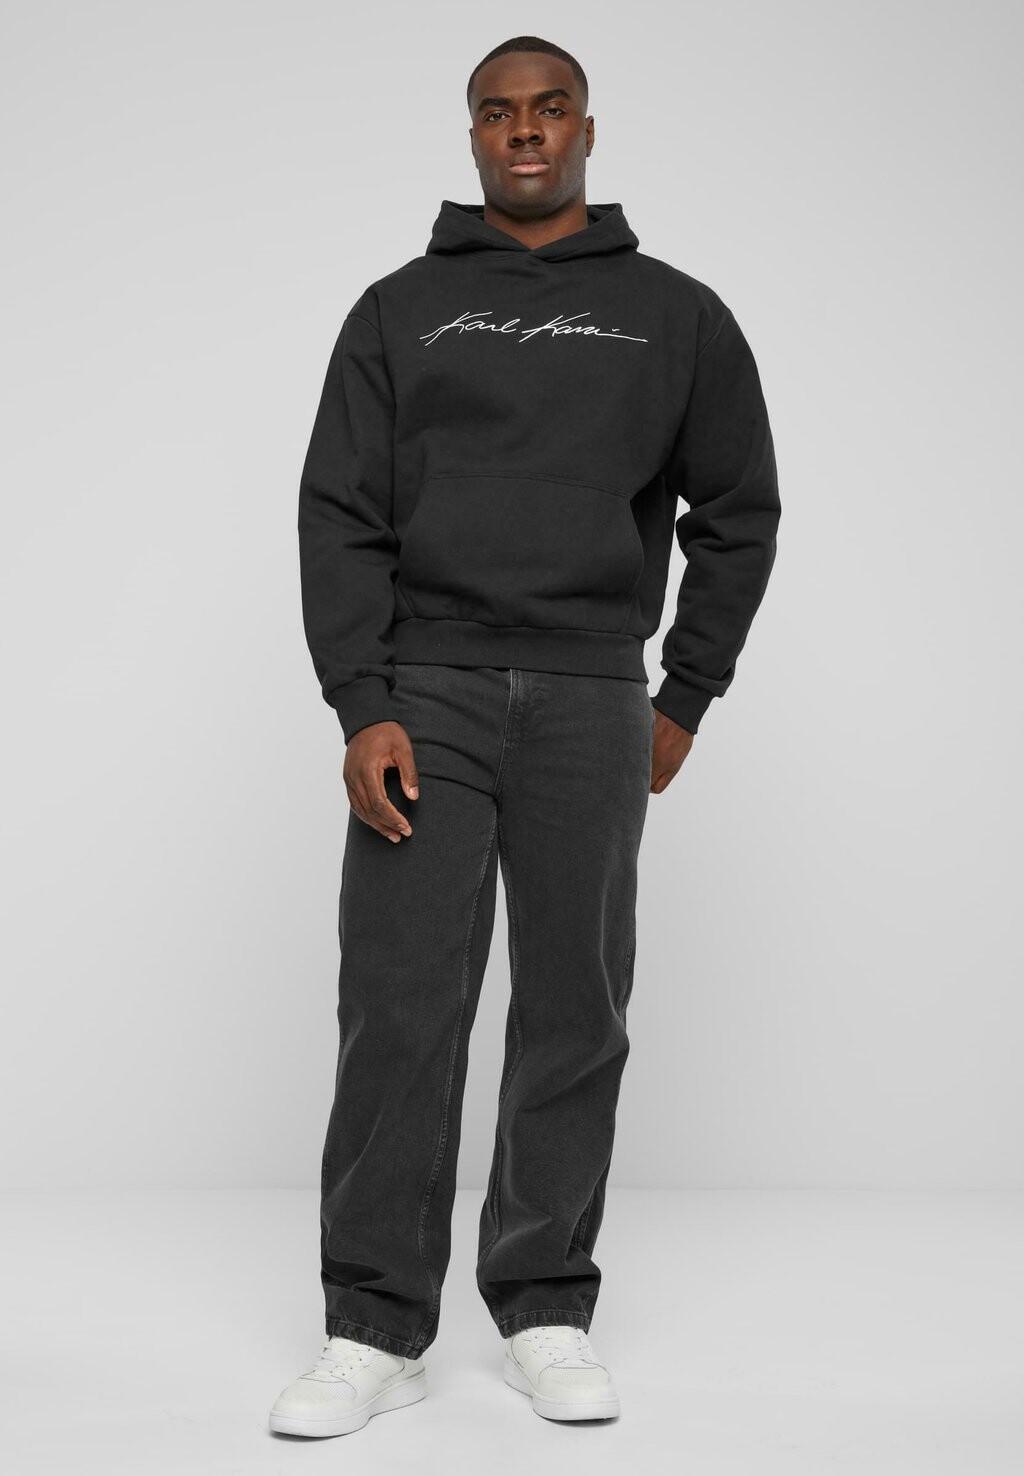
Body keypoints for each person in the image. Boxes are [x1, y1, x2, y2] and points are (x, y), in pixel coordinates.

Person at [269, 34, 781, 1438]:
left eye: (550, 109)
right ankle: (375, 1328)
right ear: (474, 135)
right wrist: (362, 701)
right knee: (400, 1004)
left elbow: (739, 510)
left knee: (574, 1006)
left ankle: (546, 1304)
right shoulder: (401, 310)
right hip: (425, 690)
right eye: (498, 113)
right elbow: (339, 514)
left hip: (592, 696)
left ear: (588, 128)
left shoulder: (677, 317)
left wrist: (684, 693)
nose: (526, 131)